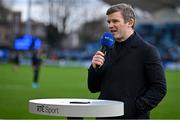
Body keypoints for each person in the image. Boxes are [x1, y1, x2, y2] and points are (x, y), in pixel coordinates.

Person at [87, 3, 167, 119]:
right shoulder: (106, 49)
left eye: (115, 21)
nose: (110, 25)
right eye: (108, 22)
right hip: (103, 116)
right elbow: (93, 88)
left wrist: (134, 108)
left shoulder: (147, 51)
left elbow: (159, 88)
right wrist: (94, 68)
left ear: (130, 22)